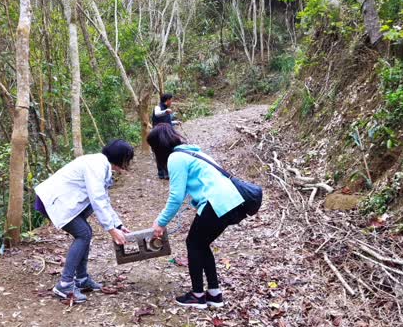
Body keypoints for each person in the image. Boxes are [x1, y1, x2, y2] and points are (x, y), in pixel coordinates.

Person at [147, 124, 245, 309]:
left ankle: (197, 295)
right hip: (230, 201)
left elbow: (176, 197)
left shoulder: (175, 158)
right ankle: (214, 294)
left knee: (193, 244)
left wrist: (160, 223)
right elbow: (184, 191)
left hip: (216, 202)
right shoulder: (190, 152)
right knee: (201, 244)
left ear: (158, 146)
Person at [34, 139, 133, 303]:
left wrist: (118, 225)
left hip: (65, 201)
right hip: (54, 201)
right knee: (84, 234)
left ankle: (81, 278)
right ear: (121, 159)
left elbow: (104, 200)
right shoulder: (96, 165)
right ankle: (64, 285)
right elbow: (97, 199)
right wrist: (111, 229)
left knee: (85, 233)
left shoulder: (101, 164)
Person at [151, 93, 180, 179]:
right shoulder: (158, 107)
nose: (172, 102)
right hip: (158, 134)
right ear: (167, 100)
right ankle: (161, 173)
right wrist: (165, 112)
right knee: (159, 153)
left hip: (166, 133)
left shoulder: (167, 109)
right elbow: (157, 114)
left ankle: (167, 172)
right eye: (171, 100)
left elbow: (167, 122)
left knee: (168, 152)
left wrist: (175, 122)